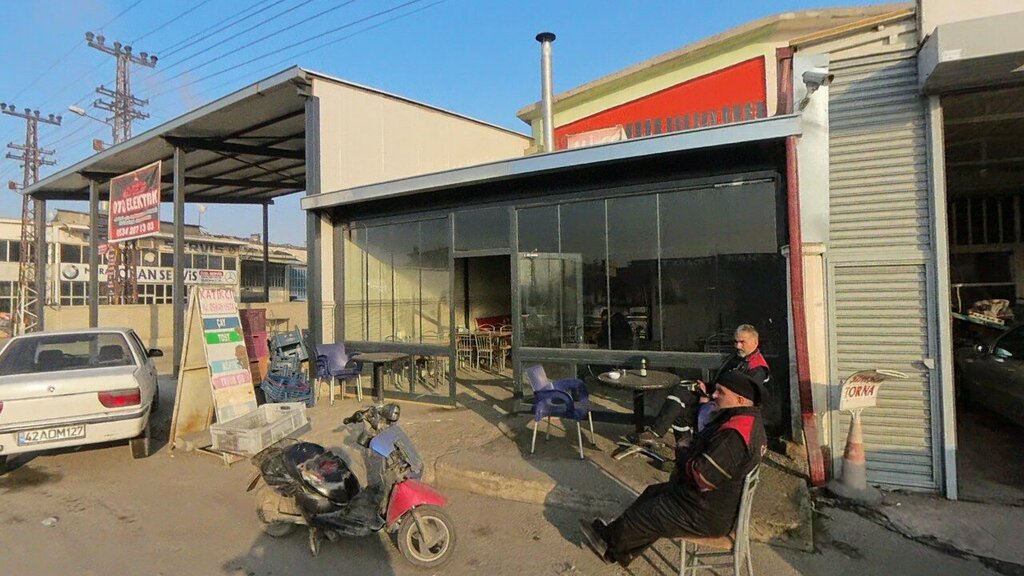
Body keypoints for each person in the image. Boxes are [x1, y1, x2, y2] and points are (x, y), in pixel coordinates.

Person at [579, 371, 767, 566]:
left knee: (650, 513)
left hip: (705, 514)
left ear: (740, 399)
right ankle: (616, 548)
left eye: (721, 392)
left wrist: (683, 451)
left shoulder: (736, 434)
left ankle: (610, 545)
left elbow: (703, 476)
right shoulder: (749, 420)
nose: (714, 395)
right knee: (652, 493)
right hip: (714, 504)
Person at [631, 324, 772, 447]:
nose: (737, 346)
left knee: (680, 414)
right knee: (679, 392)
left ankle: (661, 438)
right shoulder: (737, 358)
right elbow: (723, 383)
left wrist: (711, 399)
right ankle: (673, 447)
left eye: (742, 342)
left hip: (729, 411)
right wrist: (706, 387)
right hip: (717, 398)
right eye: (735, 342)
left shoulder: (757, 368)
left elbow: (742, 400)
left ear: (755, 342)